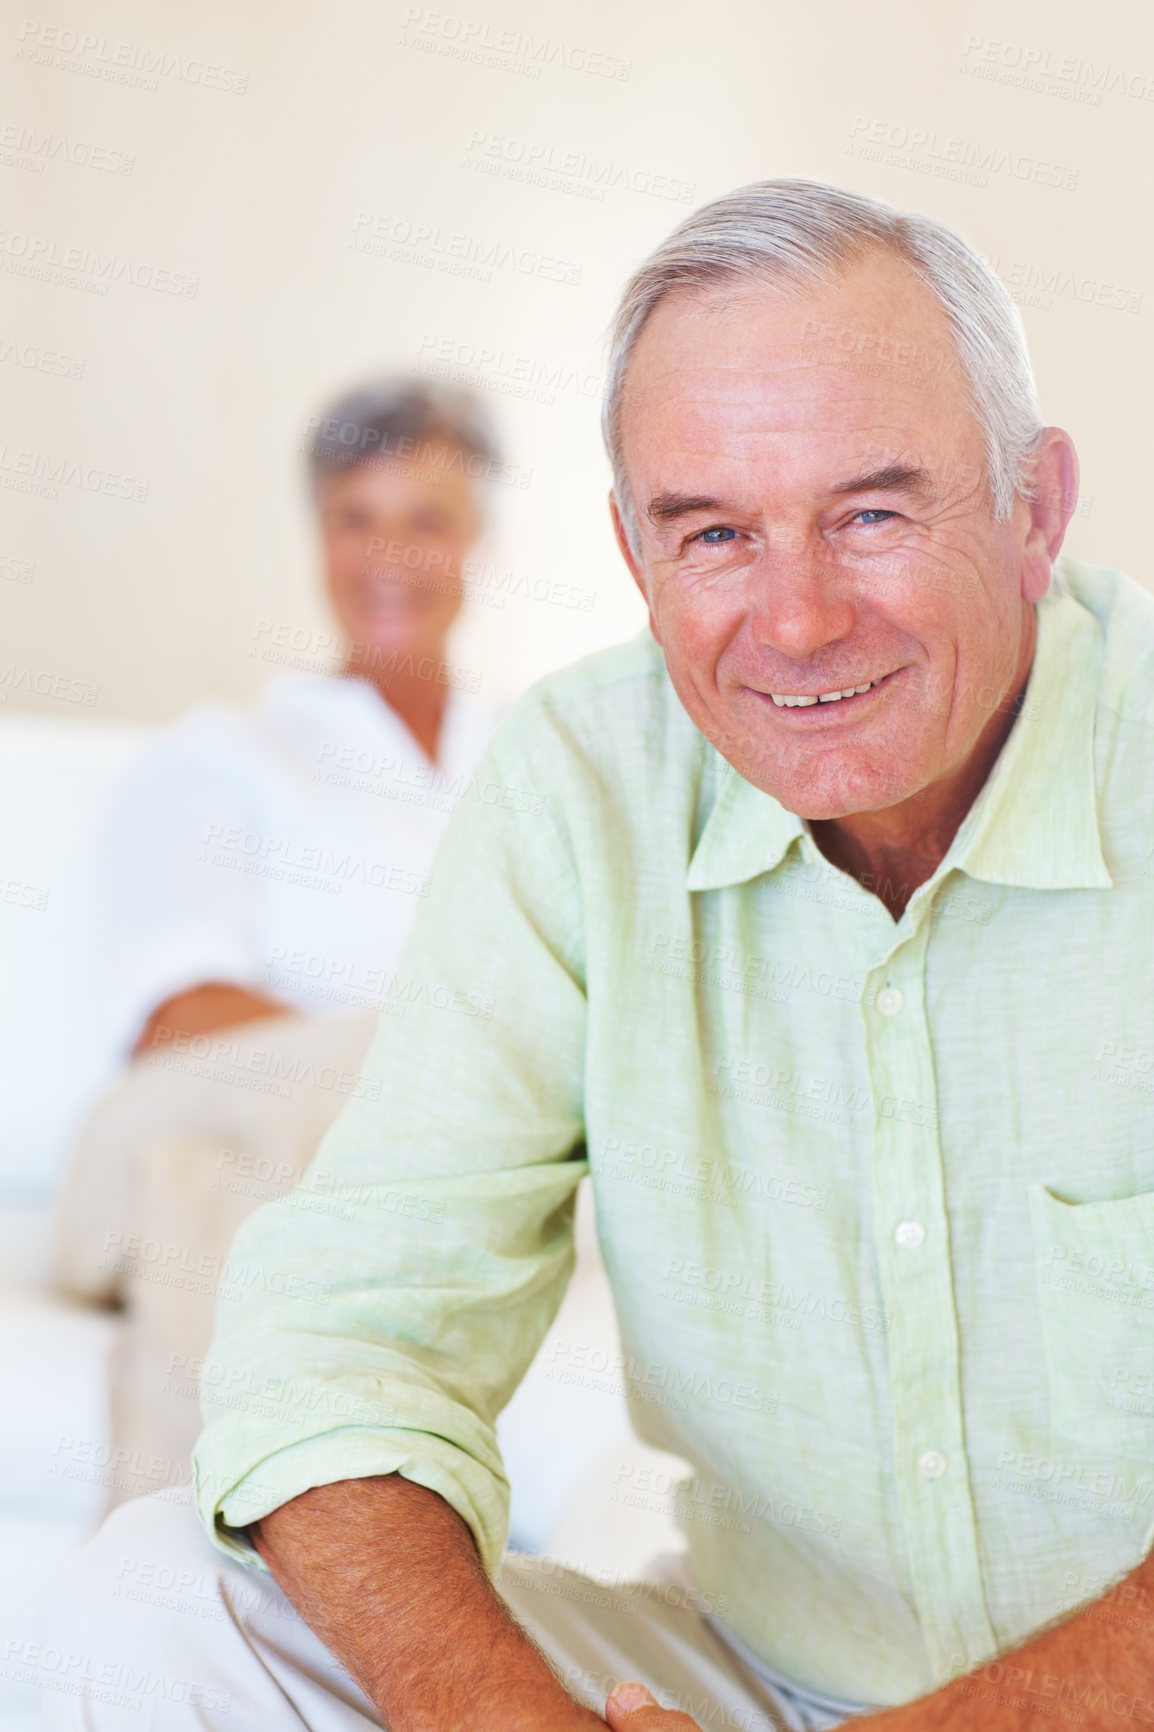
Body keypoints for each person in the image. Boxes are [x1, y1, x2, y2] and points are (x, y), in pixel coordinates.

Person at [38, 179, 1154, 1731]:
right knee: (144, 1610)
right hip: (766, 1679)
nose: (798, 618)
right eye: (714, 534)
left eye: (873, 512)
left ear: (1034, 511)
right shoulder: (573, 777)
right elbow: (347, 1332)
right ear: (632, 558)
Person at [47, 378, 505, 1508]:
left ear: (476, 539)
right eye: (357, 517)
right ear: (318, 537)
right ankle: (166, 1565)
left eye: (426, 518)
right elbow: (181, 1020)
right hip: (195, 1144)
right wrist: (428, 1069)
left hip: (433, 1185)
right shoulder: (228, 755)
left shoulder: (528, 760)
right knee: (232, 1178)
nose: (389, 552)